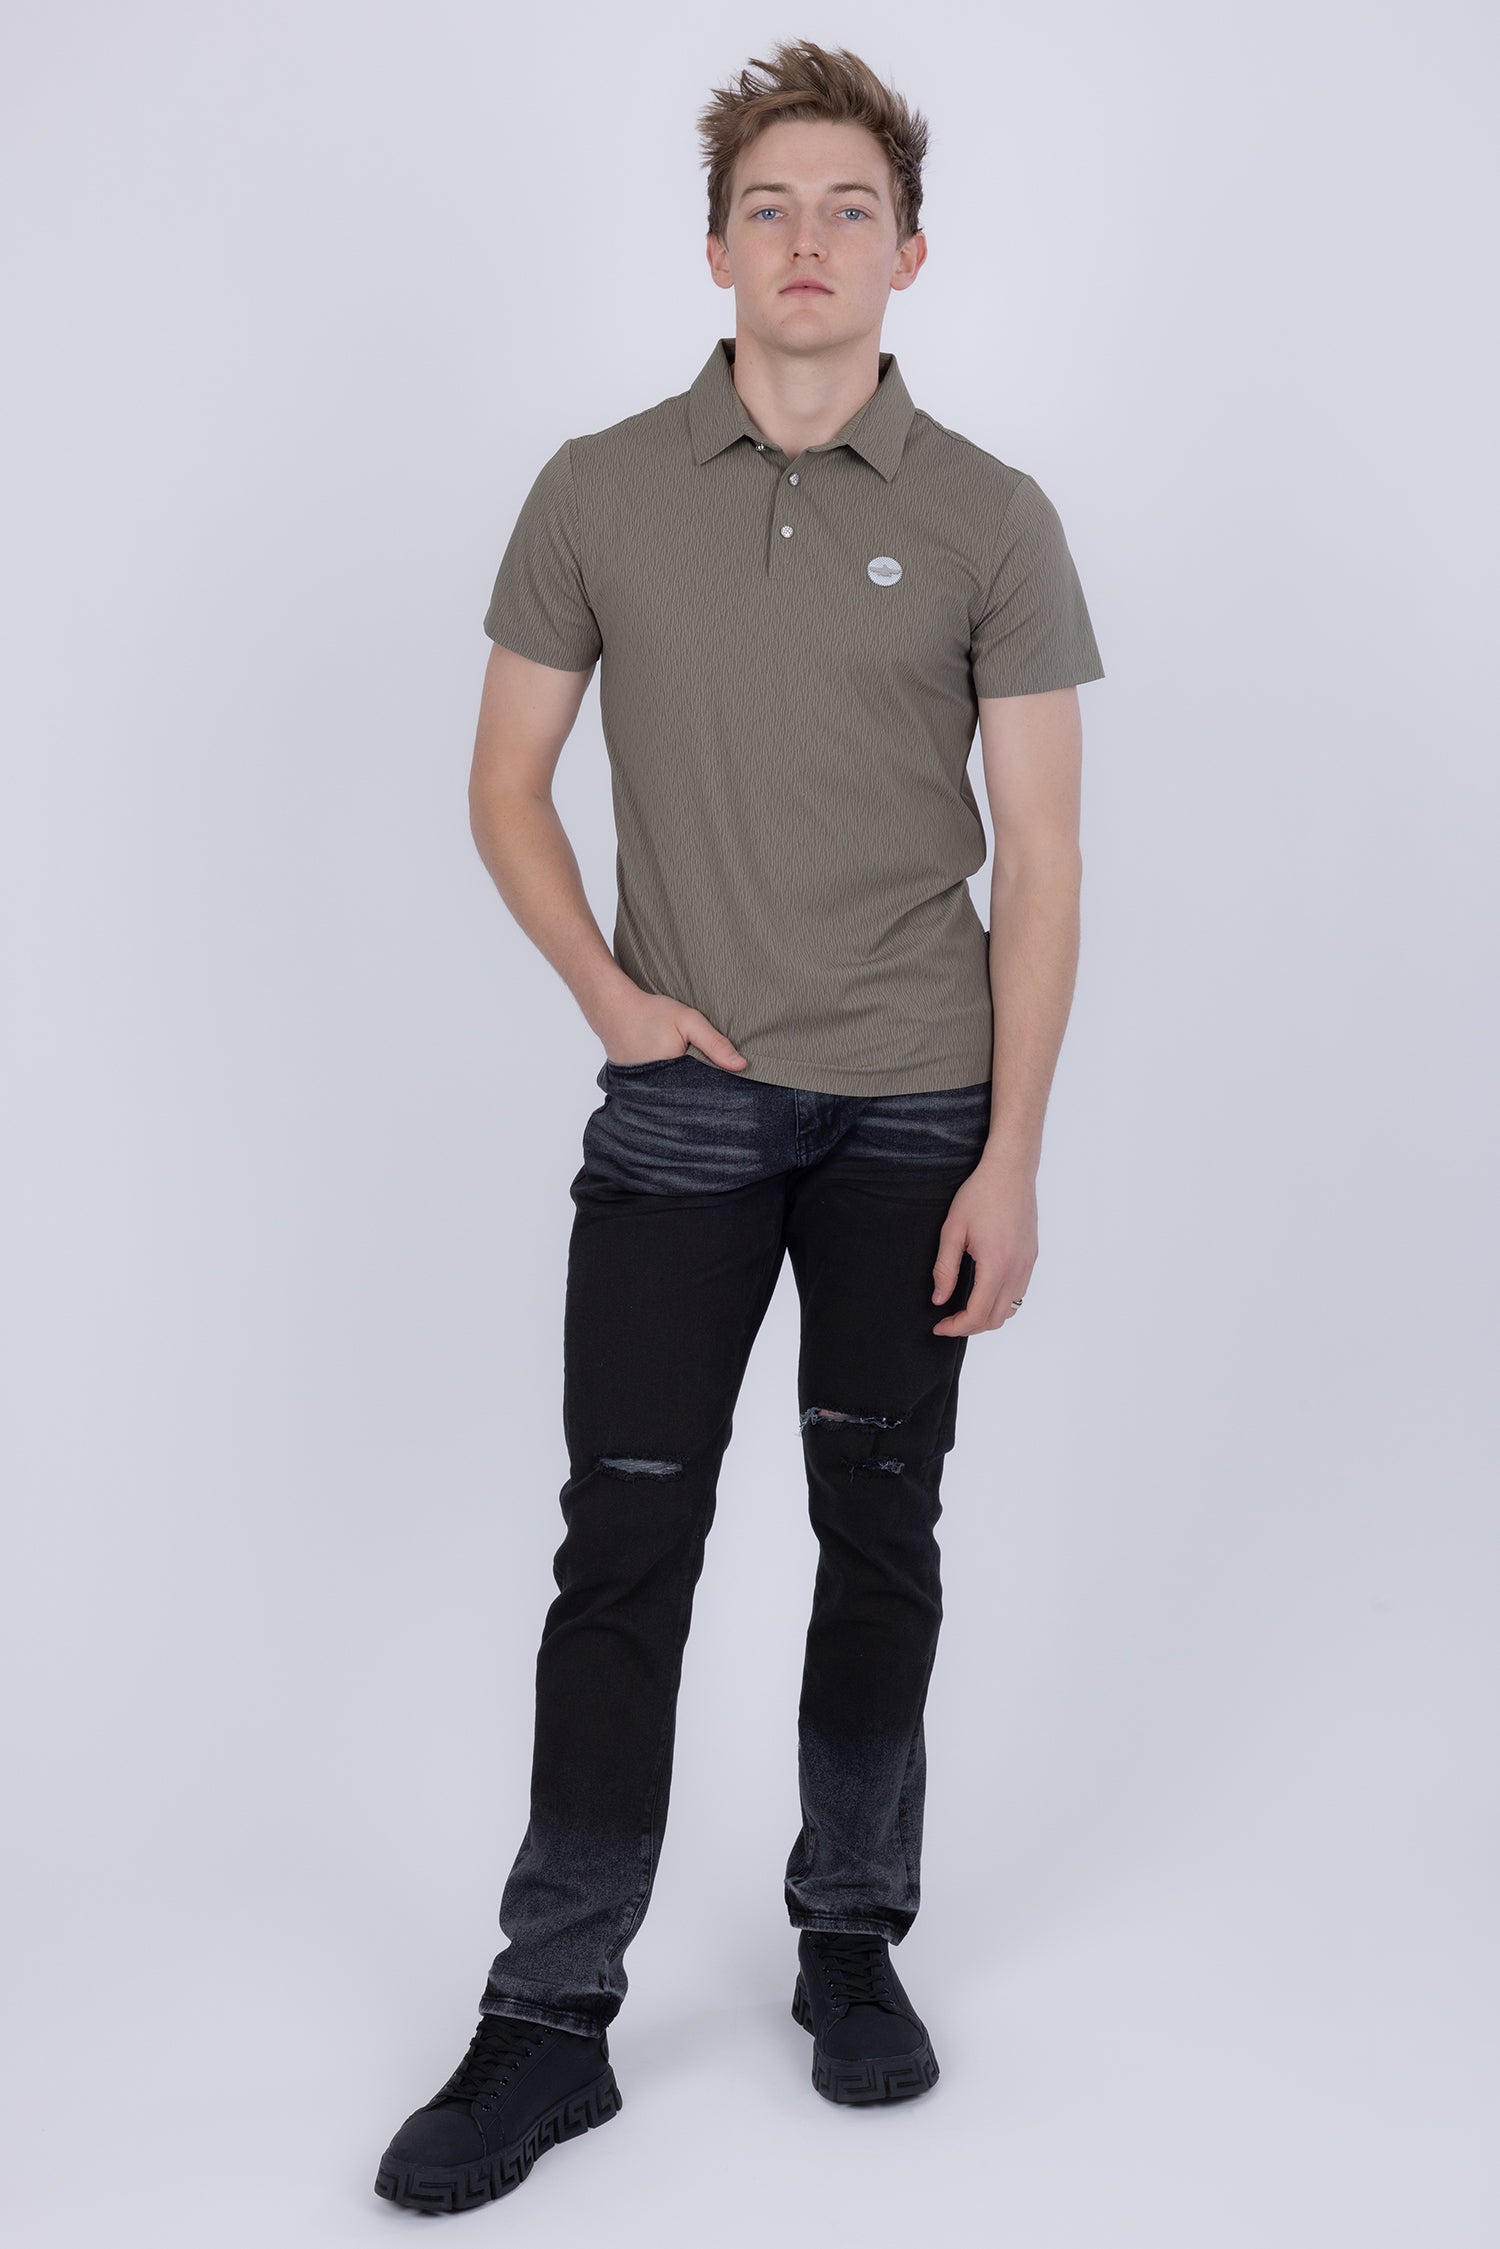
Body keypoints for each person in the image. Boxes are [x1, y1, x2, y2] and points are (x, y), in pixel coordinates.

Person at [375, 36, 1104, 2214]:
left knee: (883, 1535)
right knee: (625, 1544)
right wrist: (611, 1002)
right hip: (681, 1108)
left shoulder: (990, 515)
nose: (807, 241)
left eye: (848, 209)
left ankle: (849, 1938)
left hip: (916, 1110)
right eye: (768, 207)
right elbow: (506, 782)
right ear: (716, 248)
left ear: (908, 256)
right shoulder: (599, 488)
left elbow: (1045, 861)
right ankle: (549, 2015)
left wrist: (1013, 1155)